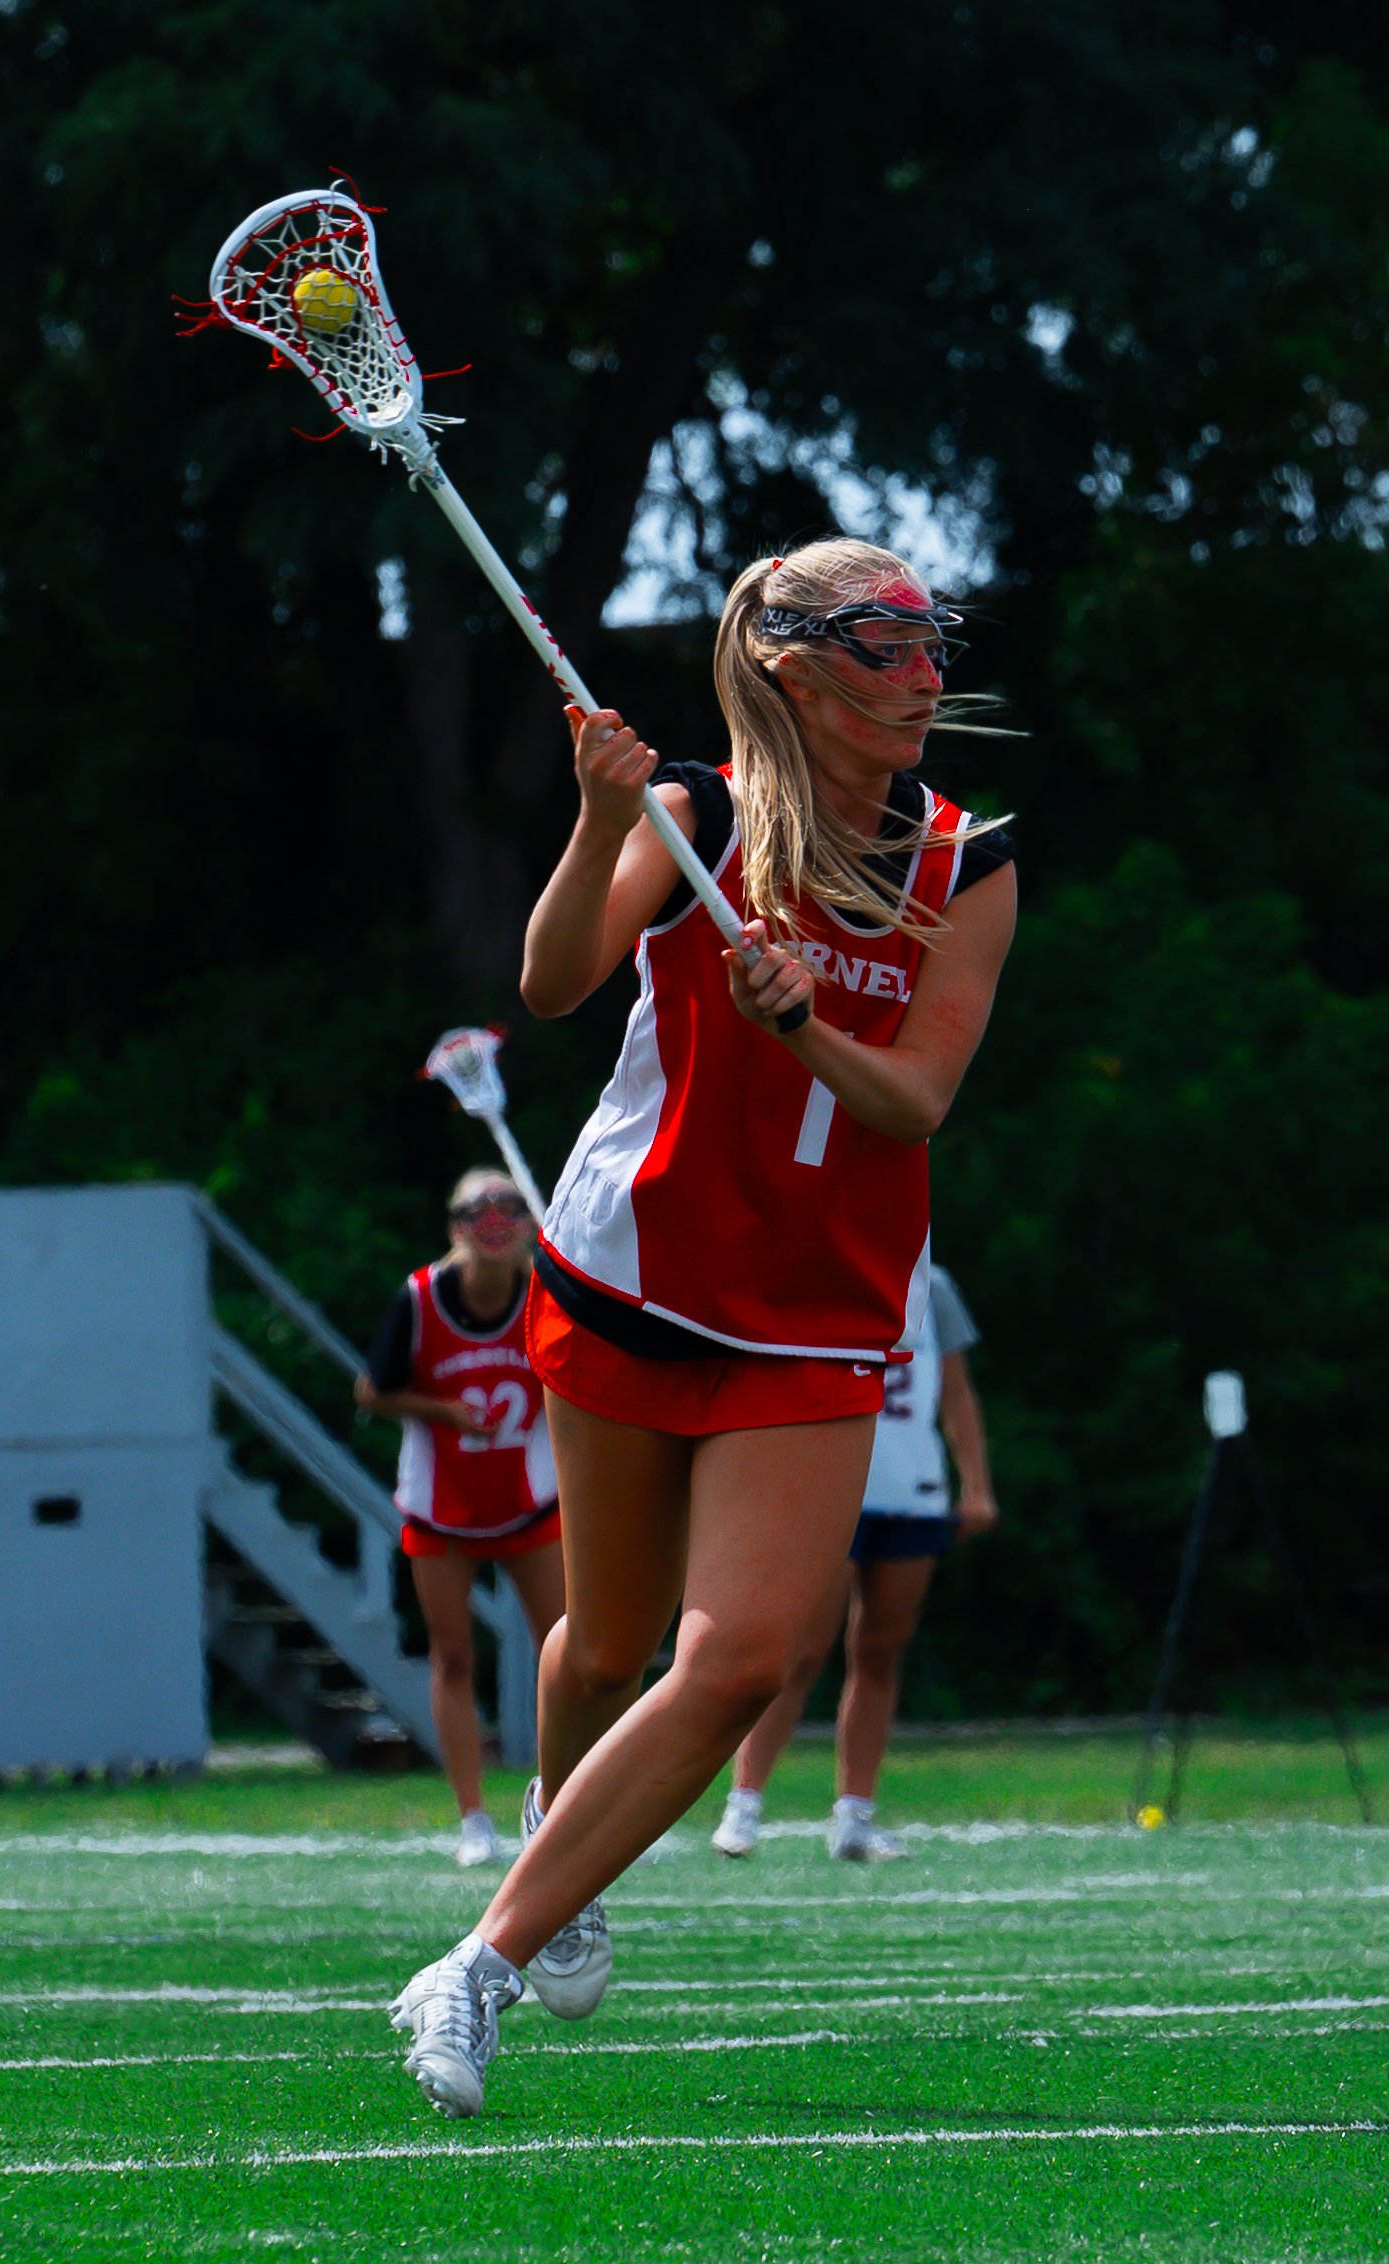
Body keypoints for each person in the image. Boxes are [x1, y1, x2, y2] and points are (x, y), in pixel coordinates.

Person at [387, 537, 1017, 2119]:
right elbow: (551, 982)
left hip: (814, 1307)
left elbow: (918, 1100)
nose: (924, 669)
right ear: (792, 660)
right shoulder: (693, 811)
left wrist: (804, 1027)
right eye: (883, 640)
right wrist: (602, 815)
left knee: (733, 1655)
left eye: (931, 636)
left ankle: (479, 1957)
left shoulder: (971, 859)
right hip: (633, 1271)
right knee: (605, 1642)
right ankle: (567, 1823)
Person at [711, 1259, 996, 1861]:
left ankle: (854, 1815)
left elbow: (956, 1390)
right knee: (800, 1650)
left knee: (880, 1651)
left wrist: (976, 1484)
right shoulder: (821, 1266)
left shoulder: (934, 1285)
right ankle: (744, 1803)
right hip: (833, 1487)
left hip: (913, 1490)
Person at [354, 1171, 566, 1869]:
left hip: (529, 1497)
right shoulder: (420, 1300)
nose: (494, 1219)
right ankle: (475, 1820)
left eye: (509, 1205)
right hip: (443, 1506)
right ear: (453, 1227)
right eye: (477, 1209)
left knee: (572, 1654)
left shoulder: (547, 1292)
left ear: (530, 1223)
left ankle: (571, 1811)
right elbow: (373, 1392)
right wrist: (443, 1412)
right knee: (453, 1655)